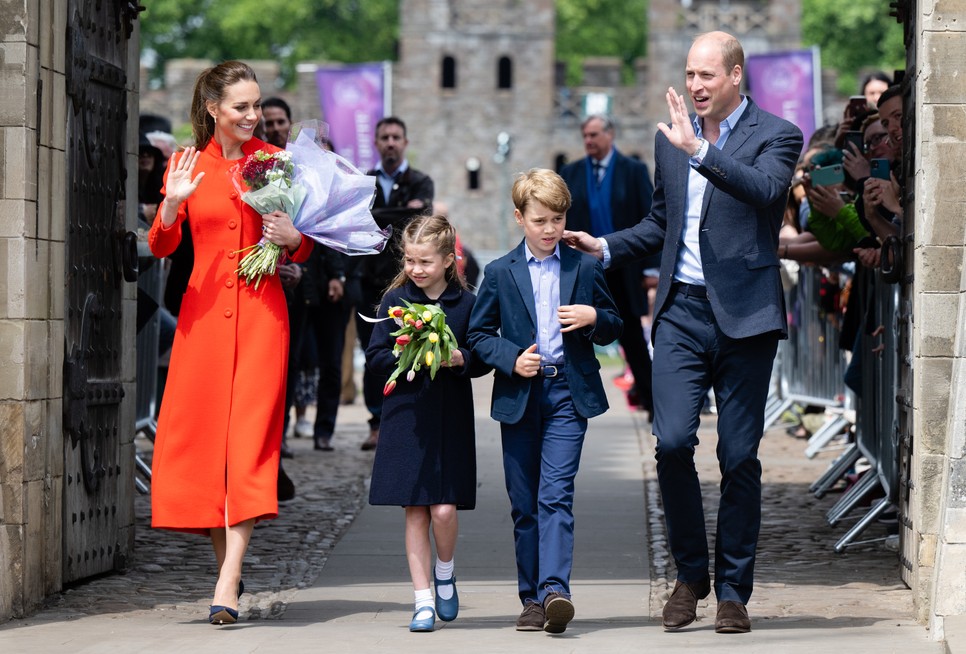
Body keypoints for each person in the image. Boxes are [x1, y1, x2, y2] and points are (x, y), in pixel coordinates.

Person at [564, 31, 803, 634]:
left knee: (740, 456)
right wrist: (608, 245)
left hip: (746, 317)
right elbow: (661, 223)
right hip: (680, 315)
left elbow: (766, 192)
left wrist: (701, 150)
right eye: (689, 74)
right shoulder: (670, 141)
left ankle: (732, 591)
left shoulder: (777, 134)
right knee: (671, 443)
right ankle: (691, 572)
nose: (695, 85)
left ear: (736, 76)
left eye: (706, 75)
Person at [147, 60, 313, 625]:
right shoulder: (184, 163)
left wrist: (295, 240)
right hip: (201, 327)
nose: (252, 115)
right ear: (214, 108)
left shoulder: (274, 163)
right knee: (206, 450)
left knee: (247, 445)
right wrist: (171, 203)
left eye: (256, 105)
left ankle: (224, 581)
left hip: (263, 319)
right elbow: (163, 245)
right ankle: (233, 573)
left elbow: (305, 240)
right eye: (240, 106)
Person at [468, 168, 622, 635]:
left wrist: (595, 315)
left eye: (557, 218)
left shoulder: (584, 266)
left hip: (567, 392)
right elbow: (477, 335)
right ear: (519, 218)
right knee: (524, 503)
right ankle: (531, 598)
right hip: (520, 395)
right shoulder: (498, 273)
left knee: (556, 494)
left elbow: (614, 323)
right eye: (540, 220)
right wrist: (511, 358)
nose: (551, 229)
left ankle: (556, 590)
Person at [367, 214, 488, 632]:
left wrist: (460, 359)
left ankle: (445, 569)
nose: (416, 269)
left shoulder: (467, 305)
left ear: (448, 260)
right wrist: (405, 352)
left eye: (425, 262)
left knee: (443, 509)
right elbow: (375, 357)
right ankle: (421, 600)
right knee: (415, 510)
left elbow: (481, 357)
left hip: (450, 417)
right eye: (410, 260)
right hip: (406, 417)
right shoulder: (394, 301)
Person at [559, 114, 656, 418]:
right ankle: (570, 401)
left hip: (625, 270)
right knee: (575, 333)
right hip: (584, 271)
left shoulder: (633, 170)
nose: (588, 141)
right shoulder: (571, 173)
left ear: (610, 134)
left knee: (633, 341)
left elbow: (651, 219)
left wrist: (651, 269)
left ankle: (653, 403)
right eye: (585, 135)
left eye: (594, 135)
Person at [356, 116, 434, 450]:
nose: (390, 142)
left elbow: (419, 220)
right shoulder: (362, 182)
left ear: (405, 142)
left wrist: (382, 214)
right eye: (384, 137)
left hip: (409, 281)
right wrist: (400, 212)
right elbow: (359, 222)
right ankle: (376, 421)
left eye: (396, 137)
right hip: (368, 281)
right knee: (375, 355)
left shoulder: (421, 180)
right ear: (376, 142)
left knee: (410, 348)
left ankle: (404, 419)